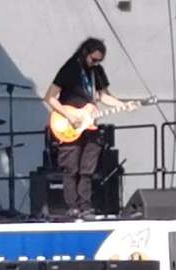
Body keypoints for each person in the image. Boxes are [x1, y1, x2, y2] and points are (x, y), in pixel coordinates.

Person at [44, 37, 135, 218]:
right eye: (93, 59)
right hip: (69, 123)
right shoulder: (70, 68)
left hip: (90, 125)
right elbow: (50, 97)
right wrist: (69, 115)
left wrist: (123, 104)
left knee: (88, 169)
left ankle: (85, 206)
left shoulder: (96, 71)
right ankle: (72, 207)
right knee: (71, 168)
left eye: (99, 61)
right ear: (85, 53)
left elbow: (103, 96)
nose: (95, 63)